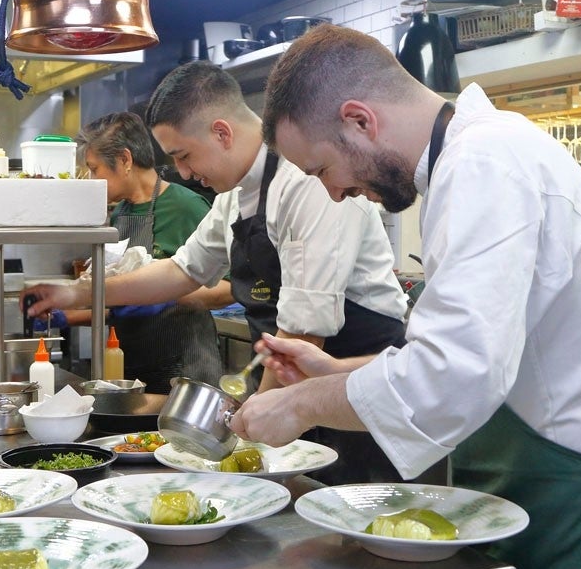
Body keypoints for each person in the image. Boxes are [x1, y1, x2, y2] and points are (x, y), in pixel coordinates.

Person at [236, 23, 581, 569]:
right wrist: (333, 371)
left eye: (323, 169)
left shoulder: (486, 160)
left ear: (360, 121)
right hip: (555, 501)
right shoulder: (475, 159)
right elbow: (479, 353)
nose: (333, 191)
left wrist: (301, 406)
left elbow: (455, 375)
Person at [26, 61, 411, 484]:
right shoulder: (235, 195)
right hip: (293, 375)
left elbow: (305, 329)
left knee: (359, 514)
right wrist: (79, 293)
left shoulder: (305, 183)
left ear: (222, 133)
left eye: (184, 156)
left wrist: (254, 430)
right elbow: (180, 271)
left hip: (357, 378)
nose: (186, 173)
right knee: (303, 507)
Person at [71, 111, 225, 393]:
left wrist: (165, 294)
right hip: (132, 364)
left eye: (95, 169)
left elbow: (227, 290)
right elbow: (123, 303)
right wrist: (66, 315)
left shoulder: (185, 207)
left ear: (125, 160)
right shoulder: (120, 213)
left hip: (185, 366)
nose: (92, 179)